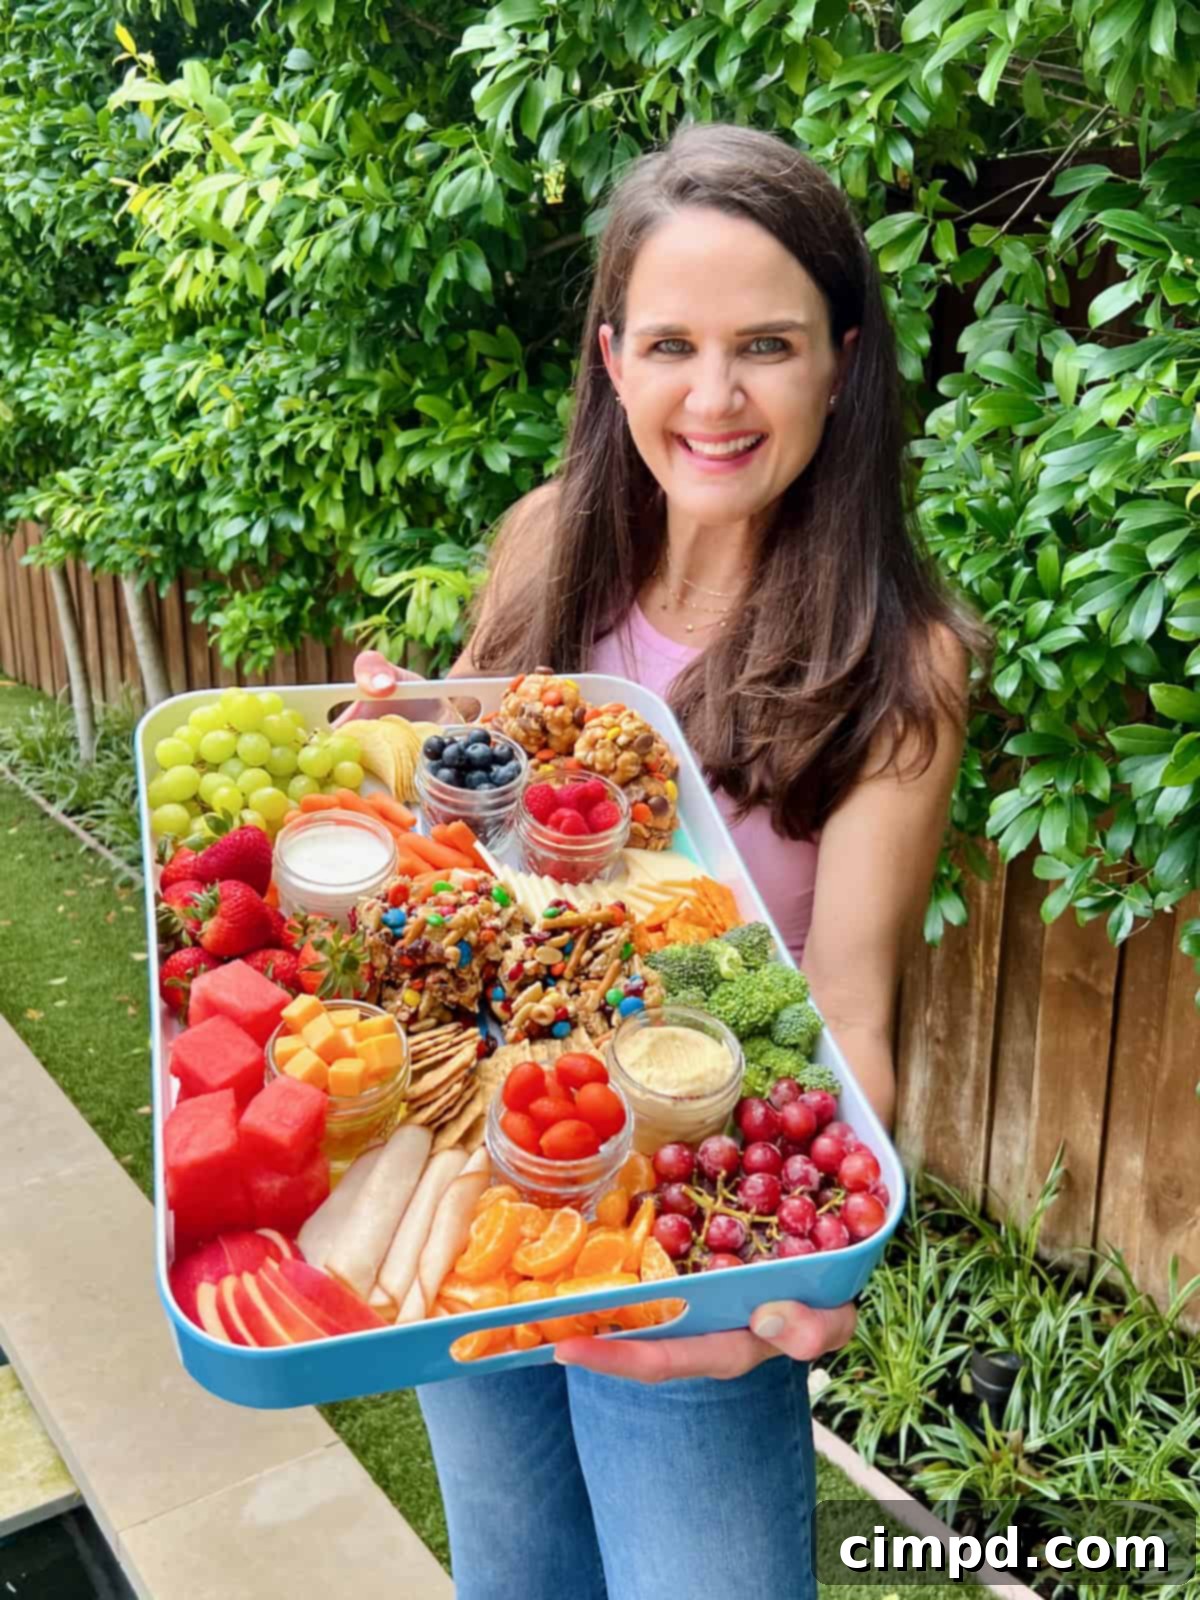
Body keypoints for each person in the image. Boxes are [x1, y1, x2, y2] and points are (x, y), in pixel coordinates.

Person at [361, 122, 985, 1600]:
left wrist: (801, 1265)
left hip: (683, 1235)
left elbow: (847, 1014)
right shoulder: (538, 547)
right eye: (670, 345)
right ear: (611, 358)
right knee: (514, 1579)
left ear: (842, 358)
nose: (714, 397)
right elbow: (451, 836)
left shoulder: (903, 666)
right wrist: (390, 747)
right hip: (489, 1176)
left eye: (765, 344)